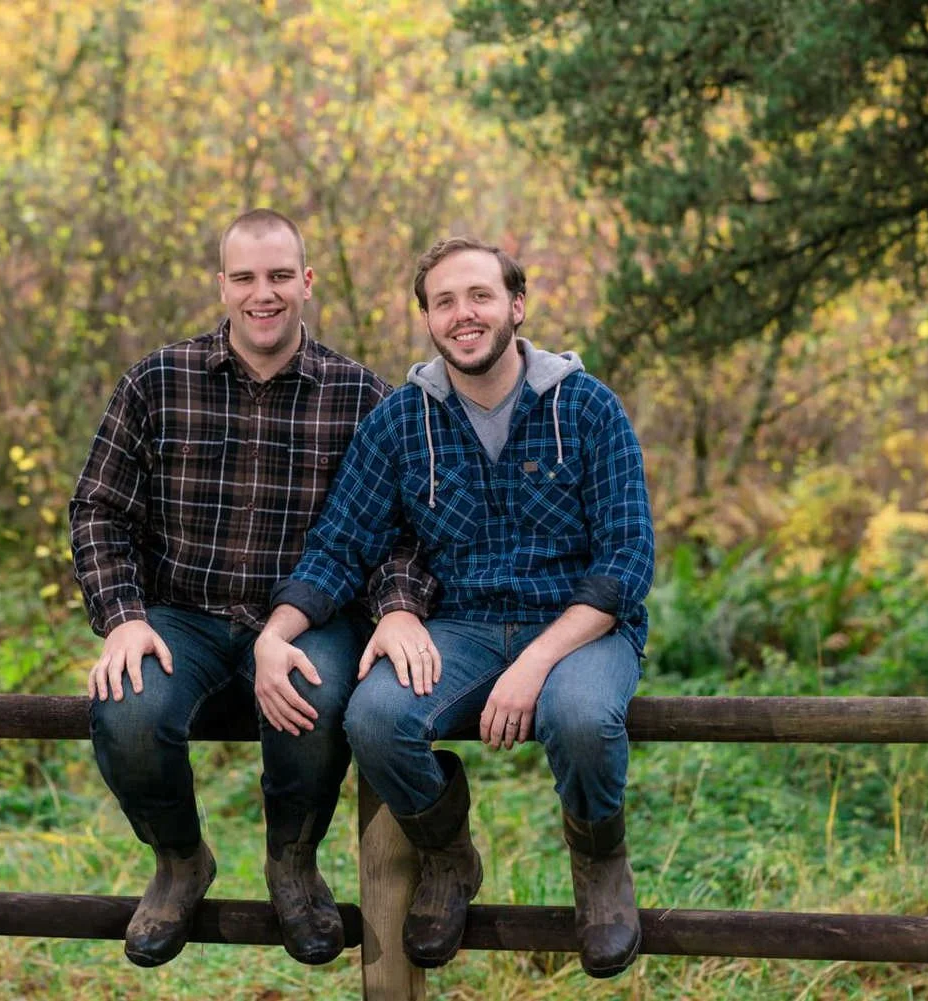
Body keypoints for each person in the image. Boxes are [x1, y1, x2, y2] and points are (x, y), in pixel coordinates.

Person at [255, 236, 654, 977]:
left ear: (516, 305)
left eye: (479, 295)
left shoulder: (588, 408)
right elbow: (341, 544)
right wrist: (276, 634)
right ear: (428, 319)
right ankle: (448, 855)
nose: (463, 314)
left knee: (579, 717)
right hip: (462, 627)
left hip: (580, 630)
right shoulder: (402, 421)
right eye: (444, 301)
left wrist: (536, 662)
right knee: (375, 717)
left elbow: (626, 563)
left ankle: (600, 865)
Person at [69, 209, 436, 969]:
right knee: (127, 708)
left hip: (305, 619)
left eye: (277, 276)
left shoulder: (359, 394)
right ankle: (179, 860)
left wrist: (398, 606)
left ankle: (292, 861)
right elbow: (98, 508)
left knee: (316, 697)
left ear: (306, 282)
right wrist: (123, 617)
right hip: (182, 617)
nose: (261, 294)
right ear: (222, 285)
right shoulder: (157, 381)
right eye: (244, 277)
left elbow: (400, 528)